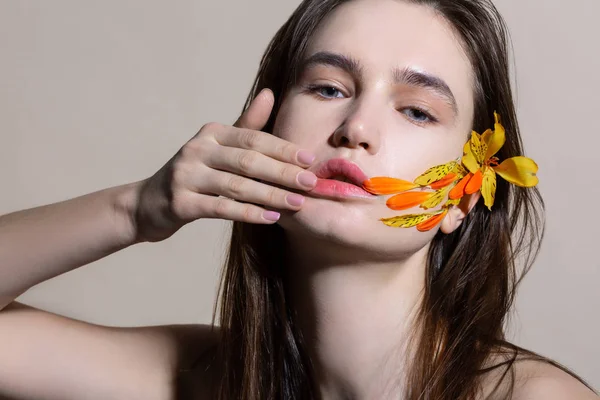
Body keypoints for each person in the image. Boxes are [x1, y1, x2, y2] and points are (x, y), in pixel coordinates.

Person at [0, 0, 597, 399]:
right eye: (328, 87)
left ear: (464, 200)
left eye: (417, 109)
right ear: (264, 132)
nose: (357, 125)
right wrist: (135, 209)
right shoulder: (200, 379)